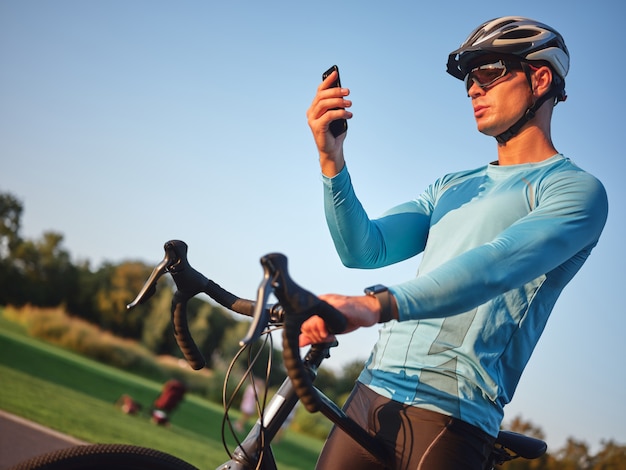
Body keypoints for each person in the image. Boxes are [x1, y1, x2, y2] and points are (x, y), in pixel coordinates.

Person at [303, 16, 608, 470]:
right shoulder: (453, 185)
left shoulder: (575, 190)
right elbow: (363, 249)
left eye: (489, 71)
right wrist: (332, 159)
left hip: (450, 413)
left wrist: (373, 306)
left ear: (540, 78)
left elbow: (496, 265)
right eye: (469, 78)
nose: (472, 89)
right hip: (373, 390)